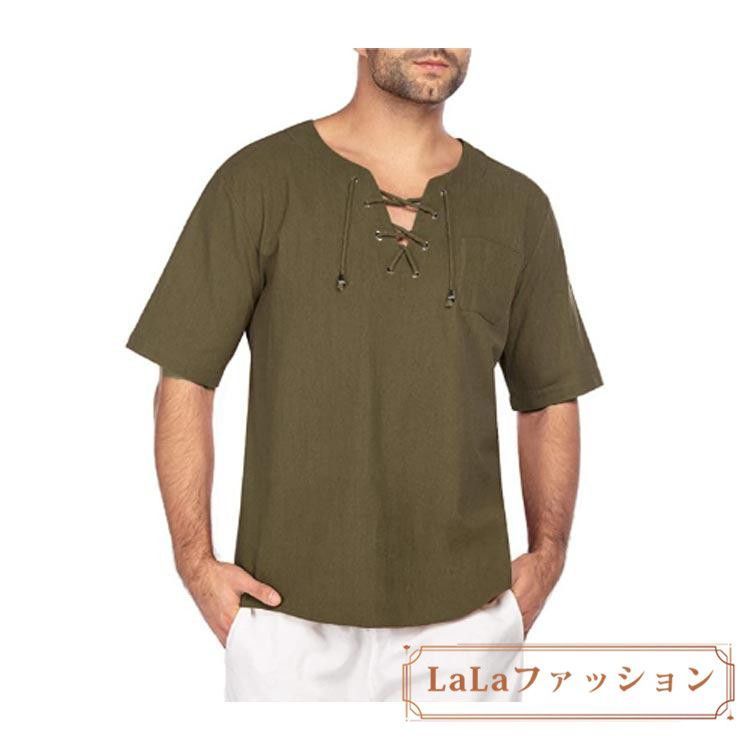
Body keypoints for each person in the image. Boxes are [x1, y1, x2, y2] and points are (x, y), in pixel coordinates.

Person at [125, 48, 603, 701]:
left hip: (468, 624)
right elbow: (185, 376)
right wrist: (194, 563)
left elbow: (549, 395)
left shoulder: (517, 206)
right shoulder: (259, 180)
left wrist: (547, 561)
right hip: (285, 627)